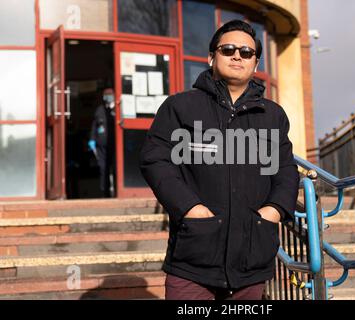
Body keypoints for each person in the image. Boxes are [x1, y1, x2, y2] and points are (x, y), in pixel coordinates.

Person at [140, 20, 299, 300]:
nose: (237, 55)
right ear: (212, 57)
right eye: (228, 49)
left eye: (246, 52)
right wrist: (191, 209)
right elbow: (156, 161)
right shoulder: (181, 107)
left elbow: (285, 170)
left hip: (252, 258)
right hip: (193, 260)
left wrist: (273, 212)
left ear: (255, 62)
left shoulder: (273, 116)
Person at [88, 88, 116, 198]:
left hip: (114, 146)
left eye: (109, 95)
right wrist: (92, 140)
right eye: (105, 95)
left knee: (115, 169)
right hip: (101, 147)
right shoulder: (100, 110)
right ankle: (105, 193)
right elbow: (95, 126)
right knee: (103, 169)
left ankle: (117, 192)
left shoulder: (118, 110)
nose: (107, 97)